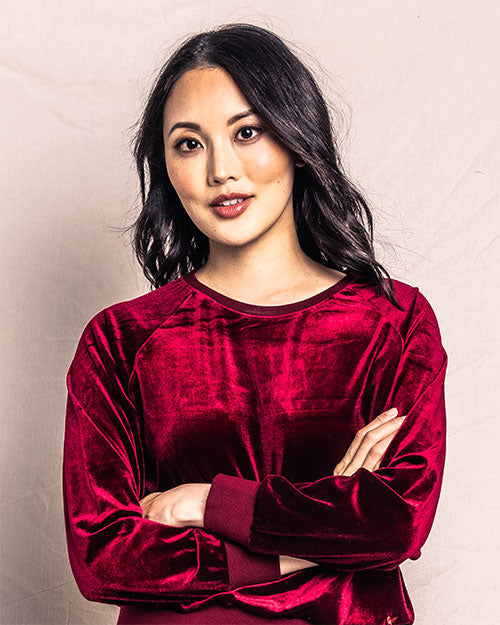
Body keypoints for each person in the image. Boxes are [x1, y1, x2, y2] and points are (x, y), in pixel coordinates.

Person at [62, 23, 447, 625]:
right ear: (164, 165)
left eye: (248, 133)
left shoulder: (393, 324)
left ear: (297, 138)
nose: (221, 170)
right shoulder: (122, 340)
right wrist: (315, 538)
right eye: (189, 144)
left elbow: (396, 522)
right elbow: (104, 555)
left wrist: (205, 502)